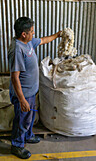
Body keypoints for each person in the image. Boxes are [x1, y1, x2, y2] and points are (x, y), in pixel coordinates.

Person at [8, 17, 61, 159]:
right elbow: (15, 77)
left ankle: (28, 135)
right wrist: (22, 100)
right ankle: (17, 145)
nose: (34, 33)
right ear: (23, 34)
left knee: (29, 117)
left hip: (31, 91)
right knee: (22, 119)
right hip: (23, 93)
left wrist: (57, 35)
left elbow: (43, 40)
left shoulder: (28, 42)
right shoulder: (18, 50)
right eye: (31, 31)